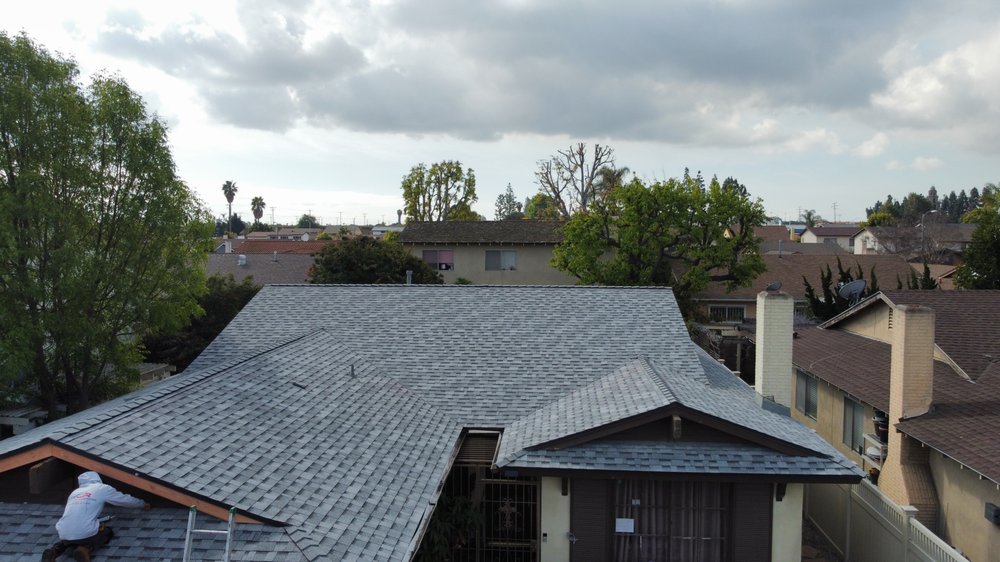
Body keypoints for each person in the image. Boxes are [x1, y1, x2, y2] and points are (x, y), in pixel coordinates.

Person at [42, 471, 150, 562]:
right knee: (106, 532)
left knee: (69, 541)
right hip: (85, 531)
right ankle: (85, 549)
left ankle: (54, 550)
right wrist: (142, 504)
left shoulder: (75, 492)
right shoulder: (102, 488)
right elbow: (124, 500)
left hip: (63, 531)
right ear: (97, 479)